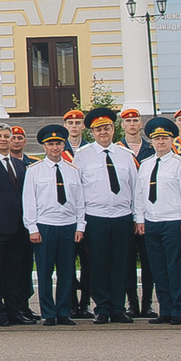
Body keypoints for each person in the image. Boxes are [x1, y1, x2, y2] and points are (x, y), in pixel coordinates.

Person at [75, 109, 137, 324]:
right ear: (92, 132)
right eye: (98, 129)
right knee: (98, 264)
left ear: (113, 129)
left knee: (121, 263)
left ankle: (118, 307)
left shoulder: (125, 155)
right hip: (95, 216)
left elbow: (135, 188)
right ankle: (101, 307)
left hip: (122, 215)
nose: (103, 132)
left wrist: (138, 218)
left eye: (107, 128)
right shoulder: (82, 156)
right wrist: (80, 223)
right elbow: (77, 192)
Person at [134, 120, 181, 324]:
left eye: (164, 138)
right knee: (158, 267)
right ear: (151, 142)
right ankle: (165, 309)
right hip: (152, 221)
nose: (161, 142)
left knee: (175, 266)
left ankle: (178, 310)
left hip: (173, 221)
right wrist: (139, 219)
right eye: (157, 139)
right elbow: (140, 194)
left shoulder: (180, 164)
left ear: (172, 140)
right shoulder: (146, 165)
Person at [21, 125, 82, 325]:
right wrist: (32, 228)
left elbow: (80, 201)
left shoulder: (72, 170)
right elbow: (29, 201)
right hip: (45, 226)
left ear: (63, 145)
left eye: (58, 144)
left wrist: (80, 226)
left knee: (66, 271)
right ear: (44, 147)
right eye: (50, 144)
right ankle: (48, 312)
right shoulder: (35, 170)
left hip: (68, 225)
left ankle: (63, 311)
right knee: (45, 271)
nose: (54, 148)